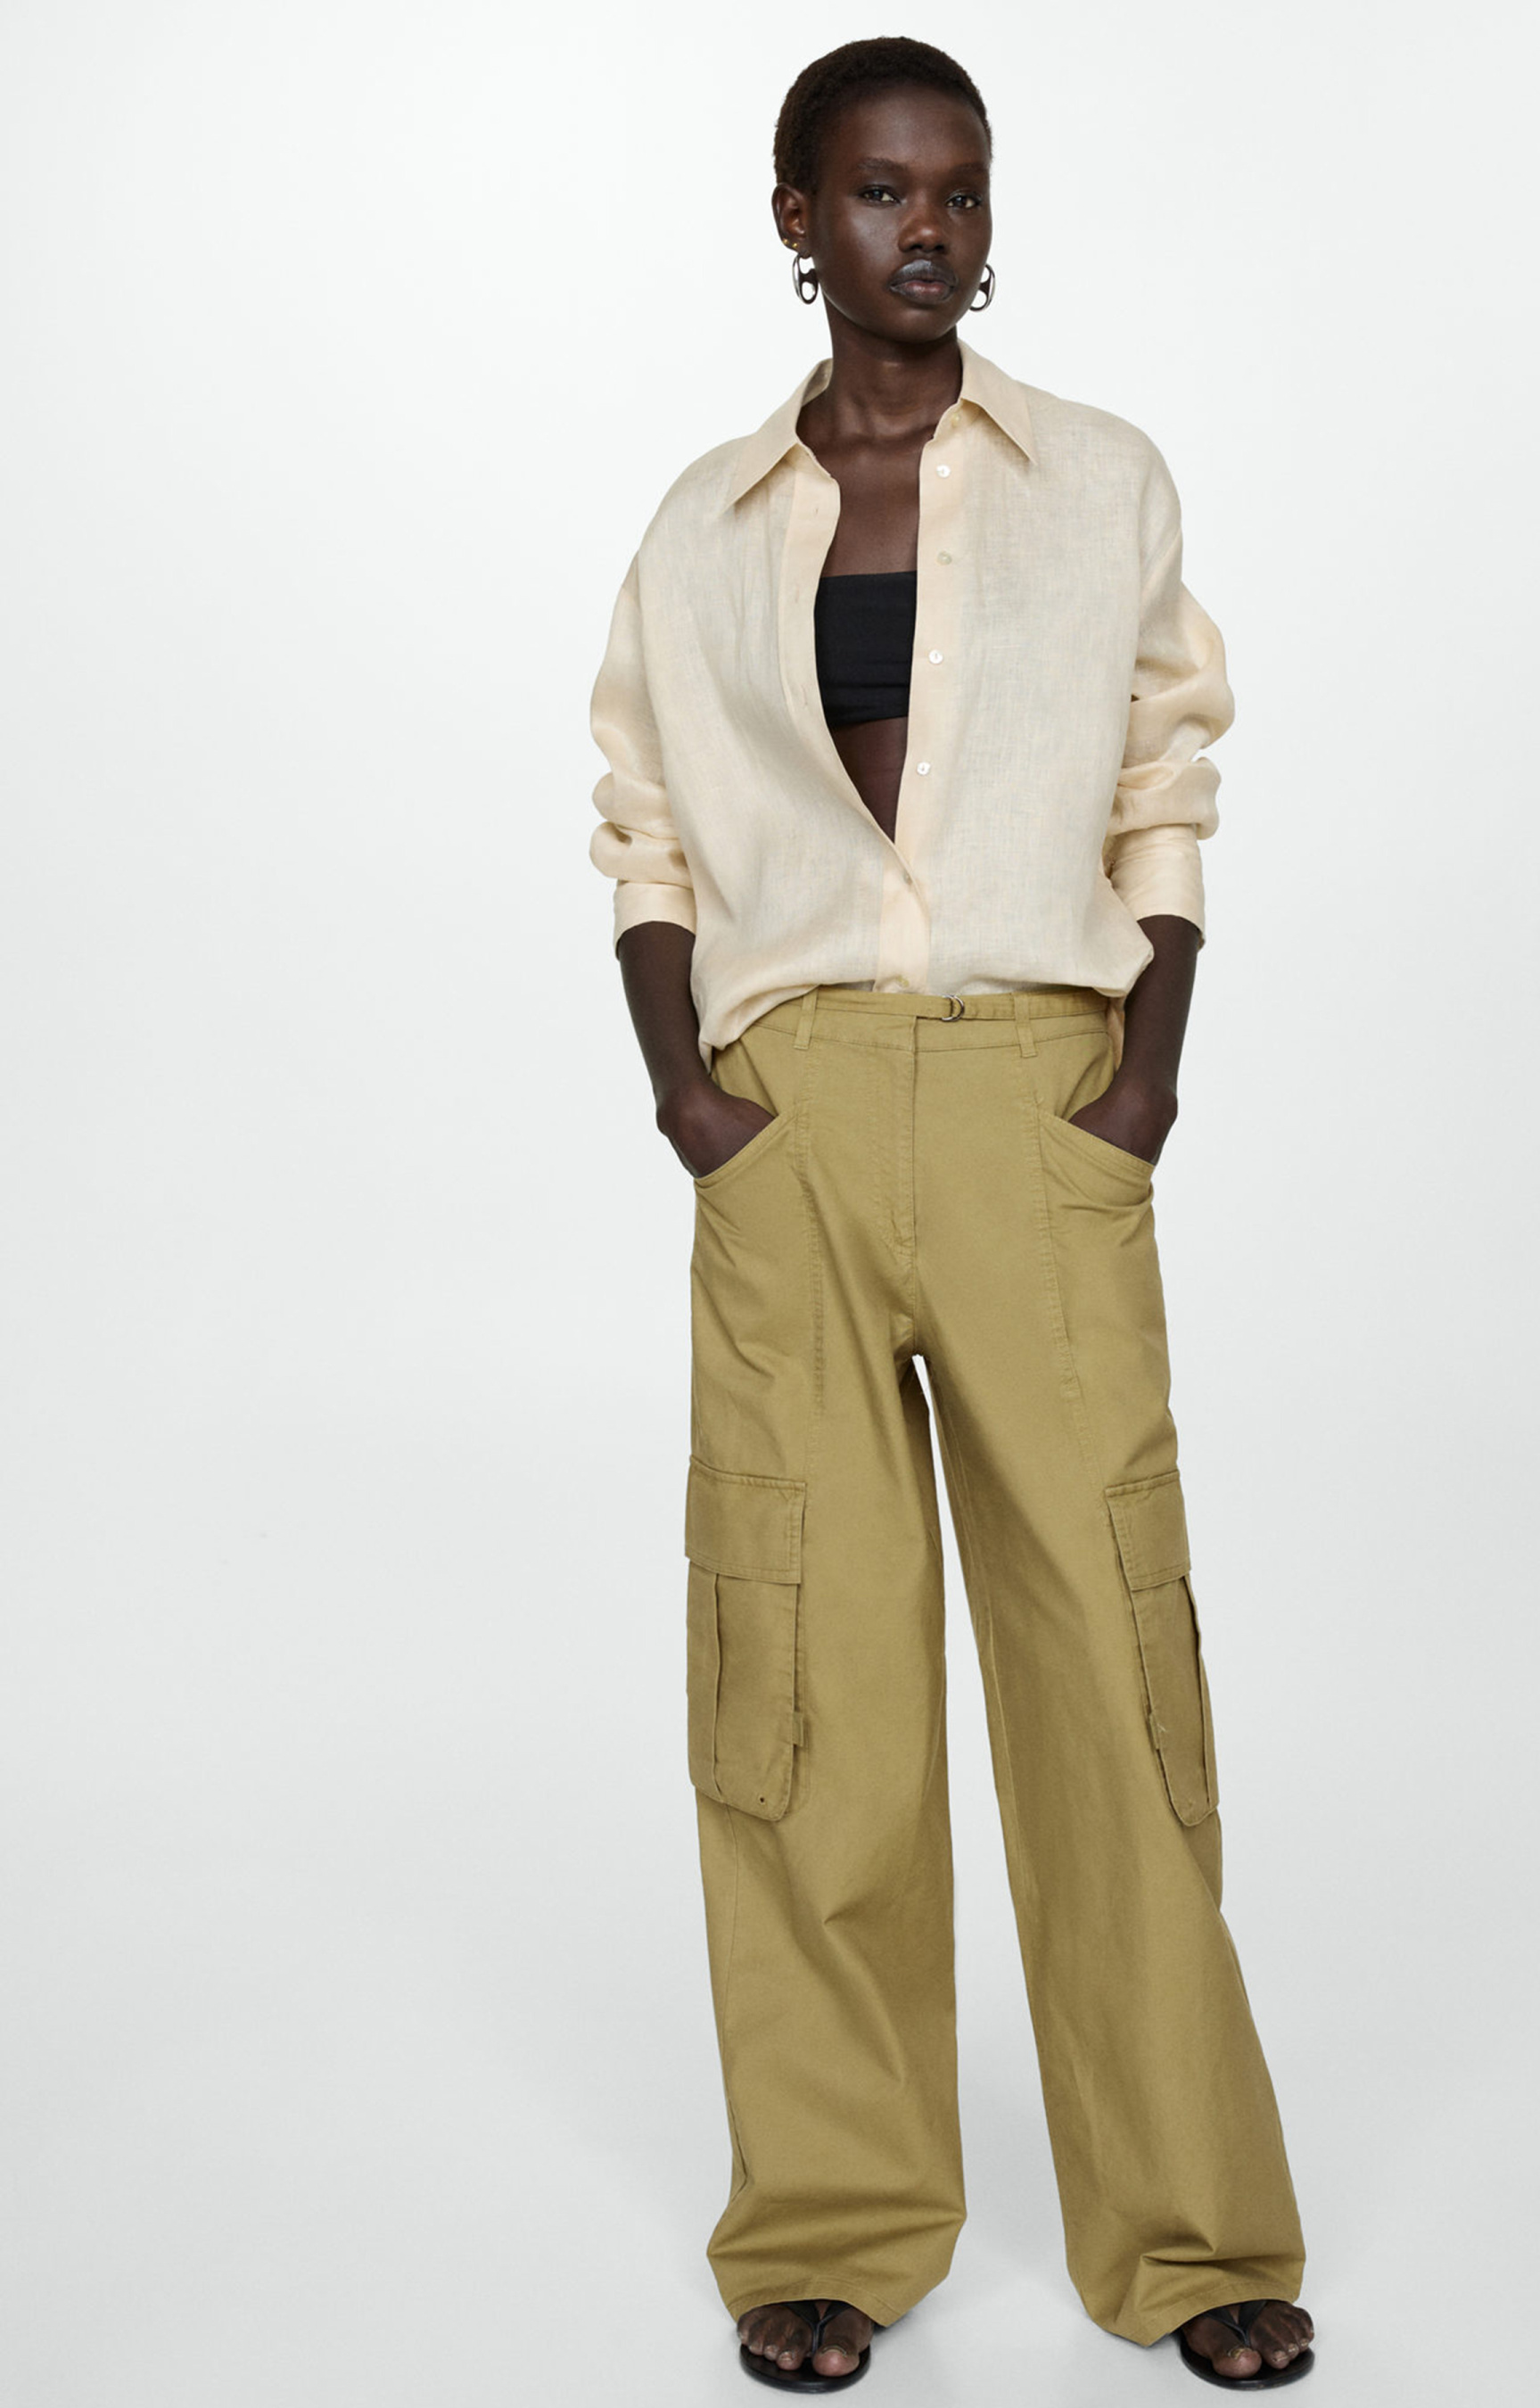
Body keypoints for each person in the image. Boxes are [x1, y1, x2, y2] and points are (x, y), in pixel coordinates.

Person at [587, 35, 1317, 2393]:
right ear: (795, 216)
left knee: (1109, 1662)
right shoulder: (702, 524)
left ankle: (1192, 2236)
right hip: (786, 1123)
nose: (933, 227)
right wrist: (690, 1094)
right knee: (805, 1685)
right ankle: (829, 2216)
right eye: (886, 189)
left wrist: (1144, 1074)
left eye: (963, 189)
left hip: (1038, 1101)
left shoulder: (1096, 478)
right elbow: (643, 827)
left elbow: (1165, 776)